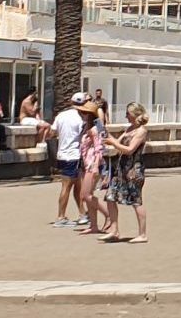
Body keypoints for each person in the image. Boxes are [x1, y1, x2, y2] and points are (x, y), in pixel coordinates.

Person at [100, 102, 150, 243]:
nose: (126, 116)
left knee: (136, 200)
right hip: (121, 168)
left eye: (128, 113)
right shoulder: (129, 129)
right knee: (110, 196)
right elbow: (118, 143)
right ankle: (114, 230)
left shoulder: (141, 131)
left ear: (135, 114)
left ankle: (142, 234)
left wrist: (113, 143)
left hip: (134, 169)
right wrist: (108, 137)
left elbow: (130, 149)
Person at [51, 93, 86, 226]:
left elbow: (52, 132)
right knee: (66, 186)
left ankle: (83, 213)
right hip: (73, 156)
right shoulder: (81, 119)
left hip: (62, 154)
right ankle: (61, 217)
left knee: (77, 185)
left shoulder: (61, 115)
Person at [73, 100, 105, 235]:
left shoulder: (95, 129)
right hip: (87, 163)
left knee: (85, 195)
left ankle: (108, 215)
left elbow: (99, 148)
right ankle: (94, 225)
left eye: (83, 112)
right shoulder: (86, 127)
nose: (81, 114)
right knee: (87, 195)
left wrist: (97, 165)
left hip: (93, 164)